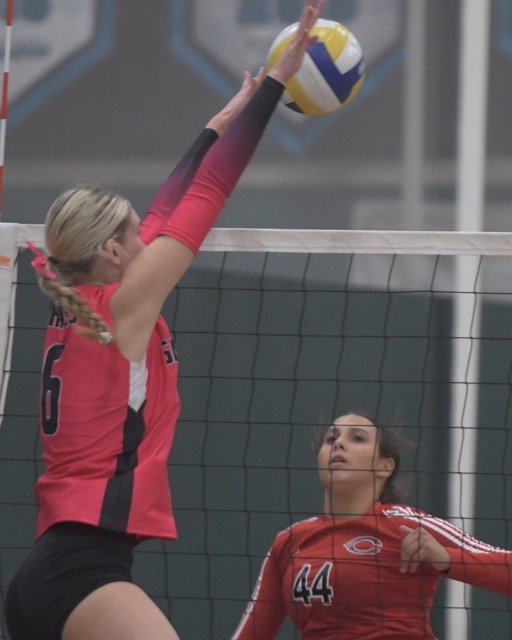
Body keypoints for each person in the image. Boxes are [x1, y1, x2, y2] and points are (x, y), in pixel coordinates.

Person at [4, 2, 326, 639]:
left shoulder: (85, 298)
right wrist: (273, 86)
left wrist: (214, 125)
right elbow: (206, 197)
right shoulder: (124, 306)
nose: (149, 237)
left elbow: (170, 201)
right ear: (112, 253)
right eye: (135, 234)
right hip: (81, 572)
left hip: (59, 572)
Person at [232, 412, 512, 639]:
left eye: (357, 438)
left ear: (384, 467)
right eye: (331, 438)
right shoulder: (289, 541)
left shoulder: (407, 524)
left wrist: (447, 558)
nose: (339, 443)